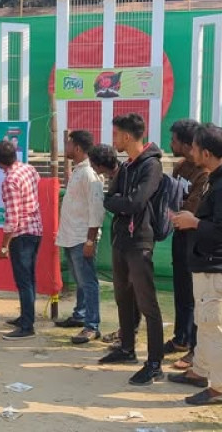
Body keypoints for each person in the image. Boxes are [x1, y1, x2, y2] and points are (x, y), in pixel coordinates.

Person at [169, 124, 222, 406]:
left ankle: (219, 388)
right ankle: (200, 372)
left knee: (215, 327)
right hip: (208, 263)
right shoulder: (219, 178)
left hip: (218, 265)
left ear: (205, 152)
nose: (190, 153)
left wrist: (194, 222)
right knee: (204, 323)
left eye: (193, 148)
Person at [98, 114, 165, 387]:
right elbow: (109, 199)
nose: (113, 139)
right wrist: (120, 201)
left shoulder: (152, 165)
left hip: (140, 241)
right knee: (123, 297)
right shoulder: (126, 166)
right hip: (121, 239)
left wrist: (119, 201)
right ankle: (127, 348)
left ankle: (155, 363)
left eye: (115, 134)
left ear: (127, 136)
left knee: (147, 303)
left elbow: (135, 203)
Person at [53, 130, 105, 345]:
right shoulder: (78, 171)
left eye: (68, 144)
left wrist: (90, 240)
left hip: (82, 237)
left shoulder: (89, 174)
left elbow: (97, 209)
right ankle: (80, 315)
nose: (65, 148)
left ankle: (92, 326)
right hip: (71, 235)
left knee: (88, 282)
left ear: (77, 148)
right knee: (80, 281)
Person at [168, 119, 209, 370]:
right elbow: (170, 199)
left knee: (195, 295)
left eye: (174, 141)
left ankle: (196, 348)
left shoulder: (204, 173)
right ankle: (180, 338)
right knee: (181, 291)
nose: (170, 145)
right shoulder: (181, 167)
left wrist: (176, 211)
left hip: (195, 237)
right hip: (179, 234)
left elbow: (192, 208)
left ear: (187, 144)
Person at [88, 143, 140, 348]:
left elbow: (122, 204)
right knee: (124, 290)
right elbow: (112, 202)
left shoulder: (125, 175)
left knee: (130, 290)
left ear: (100, 165)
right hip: (121, 238)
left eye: (93, 163)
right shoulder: (115, 176)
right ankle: (125, 330)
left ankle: (129, 333)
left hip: (132, 240)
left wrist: (112, 201)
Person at [0, 140, 43, 340]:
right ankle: (25, 317)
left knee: (24, 281)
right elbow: (37, 181)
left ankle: (27, 326)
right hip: (35, 229)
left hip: (21, 235)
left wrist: (4, 245)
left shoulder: (10, 181)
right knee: (29, 278)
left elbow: (12, 219)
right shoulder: (28, 169)